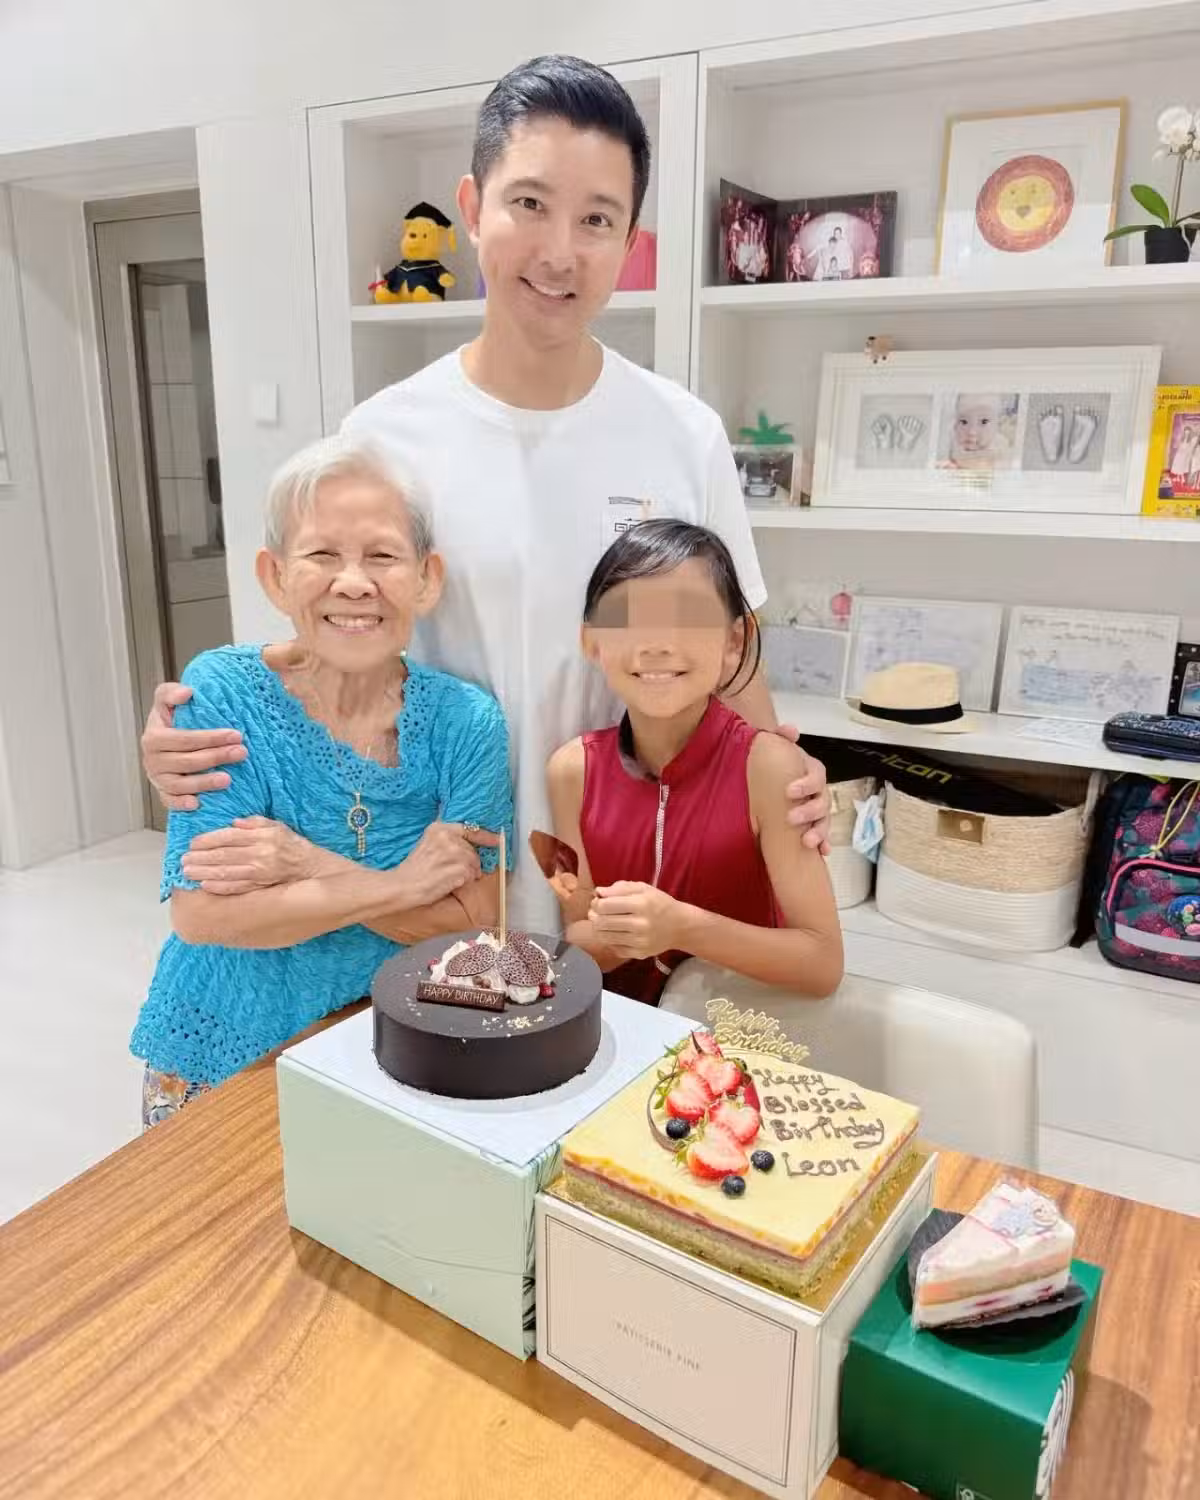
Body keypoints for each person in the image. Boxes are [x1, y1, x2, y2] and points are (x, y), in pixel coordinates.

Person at [139, 54, 831, 935]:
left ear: (630, 243)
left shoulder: (681, 433)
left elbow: (733, 658)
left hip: (629, 889)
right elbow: (338, 629)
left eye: (596, 219)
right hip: (436, 883)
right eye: (530, 204)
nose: (559, 252)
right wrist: (205, 727)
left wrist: (786, 781)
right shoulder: (386, 434)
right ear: (471, 208)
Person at [131, 435, 511, 1127]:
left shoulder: (467, 722)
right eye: (322, 555)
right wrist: (403, 887)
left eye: (383, 556)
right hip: (223, 1048)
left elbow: (473, 923)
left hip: (386, 1053)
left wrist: (304, 863)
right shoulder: (223, 694)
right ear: (275, 576)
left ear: (426, 579)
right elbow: (205, 915)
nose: (354, 583)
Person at [546, 520, 843, 1006]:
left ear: (734, 641)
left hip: (738, 1032)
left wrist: (682, 927)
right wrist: (629, 932)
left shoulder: (770, 769)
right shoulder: (569, 771)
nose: (657, 644)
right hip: (620, 1035)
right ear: (592, 641)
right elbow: (577, 934)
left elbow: (822, 962)